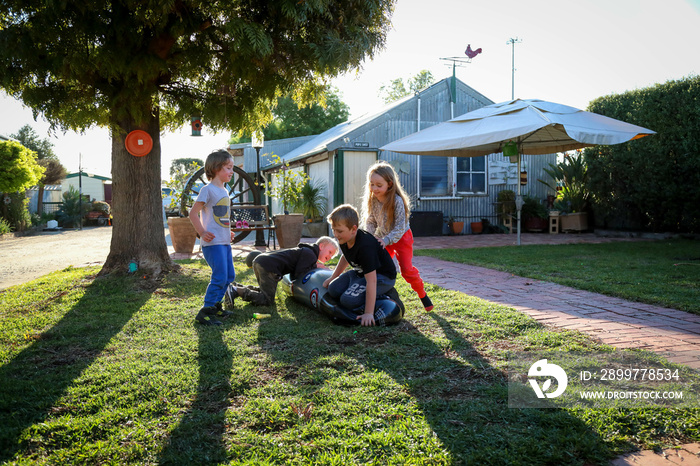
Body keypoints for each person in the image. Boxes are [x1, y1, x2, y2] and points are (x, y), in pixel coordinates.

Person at [362, 161, 433, 311]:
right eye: (371, 184)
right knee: (378, 268)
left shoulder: (397, 201)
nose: (374, 188)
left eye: (378, 185)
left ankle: (422, 294)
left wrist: (386, 239)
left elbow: (400, 226)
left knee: (406, 270)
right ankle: (380, 297)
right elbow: (371, 220)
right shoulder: (373, 199)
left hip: (402, 238)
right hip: (383, 238)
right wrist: (370, 237)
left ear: (390, 184)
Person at [322, 204, 400, 327]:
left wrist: (368, 313)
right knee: (333, 289)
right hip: (361, 273)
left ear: (353, 229)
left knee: (347, 301)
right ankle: (358, 286)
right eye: (334, 230)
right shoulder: (344, 238)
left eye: (339, 231)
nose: (335, 234)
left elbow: (372, 281)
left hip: (381, 277)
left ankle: (387, 294)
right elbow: (345, 257)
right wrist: (333, 277)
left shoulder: (365, 247)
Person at [188, 150, 237, 326]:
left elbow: (221, 218)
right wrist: (201, 232)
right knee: (220, 276)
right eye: (228, 168)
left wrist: (227, 231)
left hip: (223, 241)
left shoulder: (224, 190)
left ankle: (216, 307)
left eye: (232, 168)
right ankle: (205, 312)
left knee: (229, 276)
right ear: (217, 168)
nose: (232, 172)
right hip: (212, 243)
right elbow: (193, 213)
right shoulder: (207, 190)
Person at [225, 236, 339, 307]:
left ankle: (237, 287)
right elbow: (297, 275)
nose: (330, 257)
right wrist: (315, 266)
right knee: (267, 300)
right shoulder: (310, 255)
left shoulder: (306, 251)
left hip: (262, 261)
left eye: (332, 256)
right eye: (330, 252)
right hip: (269, 267)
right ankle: (236, 290)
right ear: (321, 246)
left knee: (265, 291)